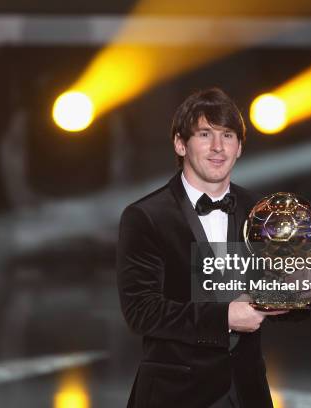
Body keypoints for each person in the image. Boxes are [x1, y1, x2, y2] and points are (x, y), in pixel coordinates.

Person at [117, 88, 287, 407]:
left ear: (239, 148)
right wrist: (223, 317)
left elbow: (276, 293)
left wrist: (295, 294)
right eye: (205, 134)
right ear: (180, 144)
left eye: (228, 135)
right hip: (175, 394)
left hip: (247, 393)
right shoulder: (145, 217)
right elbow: (141, 311)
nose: (218, 147)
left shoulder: (260, 211)